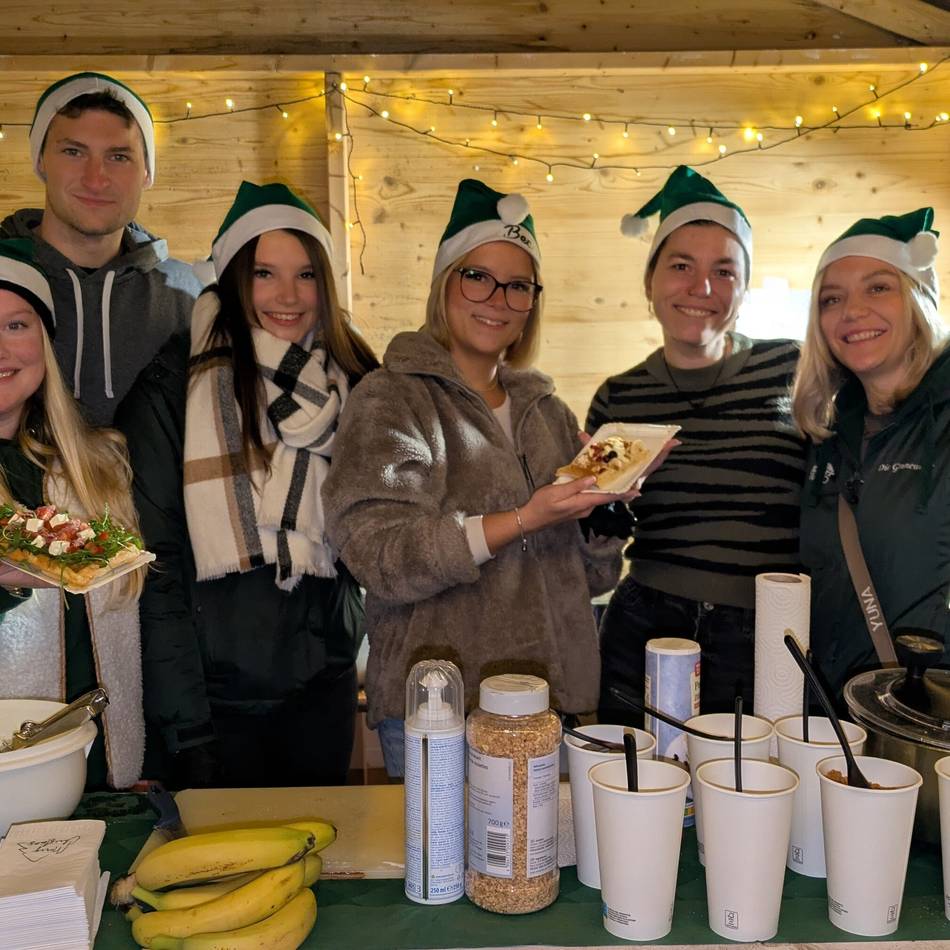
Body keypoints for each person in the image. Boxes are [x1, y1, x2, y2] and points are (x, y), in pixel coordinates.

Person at [323, 179, 633, 777]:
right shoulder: (391, 398)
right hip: (442, 708)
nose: (497, 299)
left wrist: (604, 512)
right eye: (478, 277)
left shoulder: (548, 410)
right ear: (445, 283)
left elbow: (591, 578)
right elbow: (379, 556)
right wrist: (524, 518)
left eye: (518, 285)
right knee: (441, 845)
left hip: (555, 703)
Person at [116, 181, 377, 788]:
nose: (288, 296)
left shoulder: (358, 377)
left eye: (306, 274)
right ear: (234, 276)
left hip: (324, 688)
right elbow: (155, 568)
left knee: (323, 846)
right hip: (216, 707)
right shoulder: (172, 387)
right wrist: (187, 730)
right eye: (265, 273)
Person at [589, 166, 806, 724]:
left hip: (765, 637)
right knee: (633, 774)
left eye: (724, 271)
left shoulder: (794, 368)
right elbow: (596, 532)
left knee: (753, 778)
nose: (701, 288)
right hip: (644, 627)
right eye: (681, 265)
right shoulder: (619, 397)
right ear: (650, 282)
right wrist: (598, 500)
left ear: (744, 288)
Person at [0, 238, 146, 789]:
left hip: (108, 766)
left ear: (45, 342)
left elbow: (139, 617)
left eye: (16, 325)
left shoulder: (99, 465)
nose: (1, 349)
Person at [793, 208, 950, 703]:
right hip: (837, 717)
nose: (852, 311)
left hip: (929, 719)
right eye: (832, 298)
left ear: (919, 298)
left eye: (878, 287)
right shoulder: (828, 436)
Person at [1, 72, 202, 425]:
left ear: (146, 173)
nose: (95, 179)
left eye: (119, 156)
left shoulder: (190, 298)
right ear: (41, 160)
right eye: (73, 151)